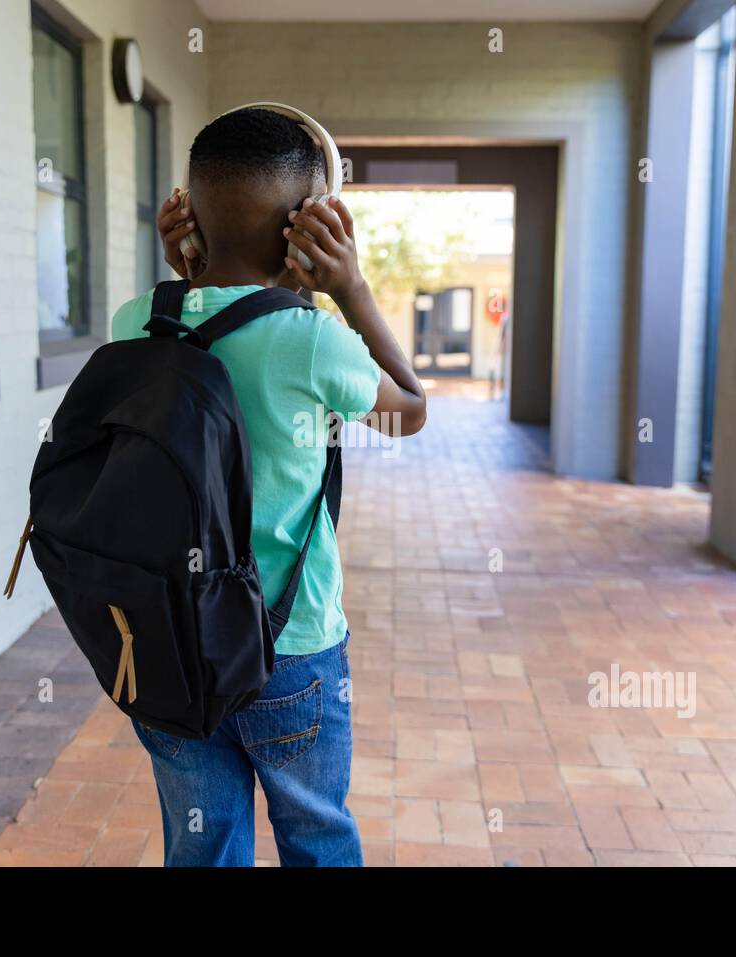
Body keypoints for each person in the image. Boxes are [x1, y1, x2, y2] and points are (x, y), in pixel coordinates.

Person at [110, 107, 426, 866]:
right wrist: (351, 289)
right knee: (316, 837)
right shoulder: (314, 342)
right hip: (290, 649)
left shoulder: (134, 321)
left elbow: (207, 342)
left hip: (170, 646)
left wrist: (197, 276)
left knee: (203, 844)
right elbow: (408, 410)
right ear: (307, 225)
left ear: (192, 210)